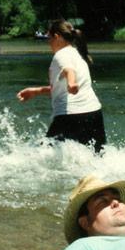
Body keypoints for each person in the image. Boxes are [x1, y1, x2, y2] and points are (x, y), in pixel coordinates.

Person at [17, 19, 105, 153]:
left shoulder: (61, 54)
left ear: (57, 36)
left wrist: (72, 83)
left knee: (42, 155)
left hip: (71, 115)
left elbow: (69, 70)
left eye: (49, 38)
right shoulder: (78, 53)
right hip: (94, 113)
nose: (48, 43)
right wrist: (37, 91)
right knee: (97, 157)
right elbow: (62, 88)